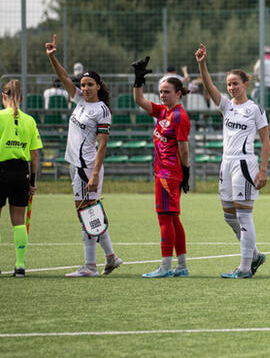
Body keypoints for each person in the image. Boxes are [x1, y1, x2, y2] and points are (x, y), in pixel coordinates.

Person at [46, 34, 123, 277]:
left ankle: (90, 266)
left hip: (86, 167)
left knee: (86, 211)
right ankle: (110, 257)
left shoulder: (102, 110)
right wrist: (52, 57)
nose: (85, 87)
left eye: (90, 84)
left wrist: (95, 174)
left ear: (99, 86)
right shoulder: (79, 100)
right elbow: (64, 77)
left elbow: (102, 146)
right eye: (83, 84)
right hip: (76, 165)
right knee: (90, 211)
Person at [196, 43, 270, 279]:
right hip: (226, 163)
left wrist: (263, 170)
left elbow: (266, 141)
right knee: (228, 215)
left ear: (245, 84)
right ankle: (255, 255)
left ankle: (245, 268)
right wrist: (202, 64)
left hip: (245, 165)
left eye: (235, 83)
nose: (231, 87)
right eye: (229, 84)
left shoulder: (254, 109)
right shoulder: (226, 106)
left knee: (244, 215)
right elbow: (209, 87)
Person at [131, 57, 192, 278]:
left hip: (169, 174)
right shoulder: (163, 112)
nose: (162, 95)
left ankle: (166, 267)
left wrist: (185, 173)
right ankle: (182, 266)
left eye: (167, 91)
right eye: (161, 91)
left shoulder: (178, 116)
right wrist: (138, 80)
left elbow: (184, 149)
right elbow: (140, 101)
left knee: (165, 218)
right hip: (164, 172)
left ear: (178, 93)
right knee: (173, 218)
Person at [0, 79, 41, 277]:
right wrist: (32, 181)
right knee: (18, 221)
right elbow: (35, 155)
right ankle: (19, 265)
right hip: (21, 173)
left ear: (3, 97)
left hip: (1, 171)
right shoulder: (30, 120)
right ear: (22, 99)